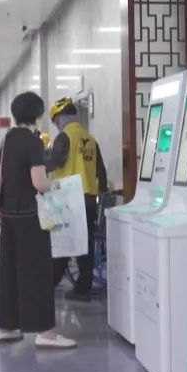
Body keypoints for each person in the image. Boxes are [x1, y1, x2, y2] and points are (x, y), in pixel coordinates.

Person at [0, 92, 77, 349]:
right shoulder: (33, 142)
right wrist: (59, 186)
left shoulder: (7, 139)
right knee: (38, 273)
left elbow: (2, 174)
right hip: (31, 217)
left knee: (9, 272)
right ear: (38, 115)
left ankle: (4, 328)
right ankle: (46, 333)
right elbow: (39, 183)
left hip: (9, 215)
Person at [46, 97, 108, 302]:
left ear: (61, 118)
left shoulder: (64, 137)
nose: (56, 124)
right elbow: (101, 171)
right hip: (89, 198)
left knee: (66, 242)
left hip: (69, 198)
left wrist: (39, 163)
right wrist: (102, 194)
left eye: (56, 120)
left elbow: (54, 162)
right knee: (84, 243)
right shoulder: (90, 138)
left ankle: (74, 287)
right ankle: (75, 284)